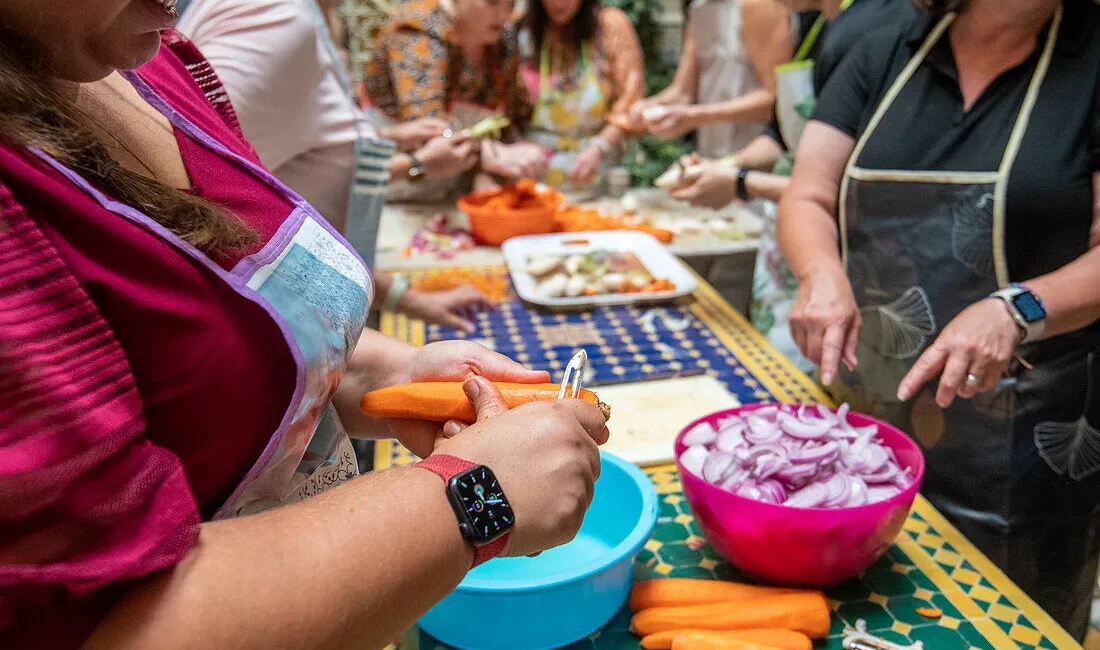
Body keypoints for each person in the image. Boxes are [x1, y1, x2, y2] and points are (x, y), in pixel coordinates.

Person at [0, 2, 609, 647]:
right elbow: (120, 629)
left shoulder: (150, 58)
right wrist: (474, 496)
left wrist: (384, 371)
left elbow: (217, 338)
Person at [777, 0, 1100, 638]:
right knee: (859, 616)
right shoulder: (883, 50)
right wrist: (819, 273)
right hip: (868, 417)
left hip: (1026, 442)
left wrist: (1017, 309)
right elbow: (807, 193)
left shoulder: (1090, 63)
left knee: (1000, 625)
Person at [178, 0, 494, 333]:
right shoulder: (279, 23)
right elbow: (204, 185)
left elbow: (301, 153)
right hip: (281, 322)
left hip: (309, 304)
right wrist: (417, 165)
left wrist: (380, 140)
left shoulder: (306, 15)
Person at [668, 0, 915, 373]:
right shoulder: (816, 26)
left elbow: (856, 189)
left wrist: (740, 183)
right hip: (788, 253)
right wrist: (725, 167)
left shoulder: (877, 27)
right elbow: (784, 136)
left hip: (848, 261)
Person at [363, 0, 549, 192]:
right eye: (492, 2)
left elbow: (515, 113)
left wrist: (493, 170)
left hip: (462, 180)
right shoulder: (417, 28)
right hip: (399, 181)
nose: (503, 15)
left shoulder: (503, 36)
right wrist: (491, 154)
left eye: (510, 4)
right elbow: (427, 125)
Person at [630, 0, 792, 159]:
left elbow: (776, 98)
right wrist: (650, 107)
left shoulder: (758, 5)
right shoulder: (699, 7)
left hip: (759, 154)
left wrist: (697, 116)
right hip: (712, 154)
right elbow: (682, 92)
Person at [518, 0, 644, 192]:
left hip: (595, 173)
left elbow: (630, 102)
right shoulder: (521, 30)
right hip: (533, 179)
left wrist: (599, 146)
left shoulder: (609, 26)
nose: (558, 3)